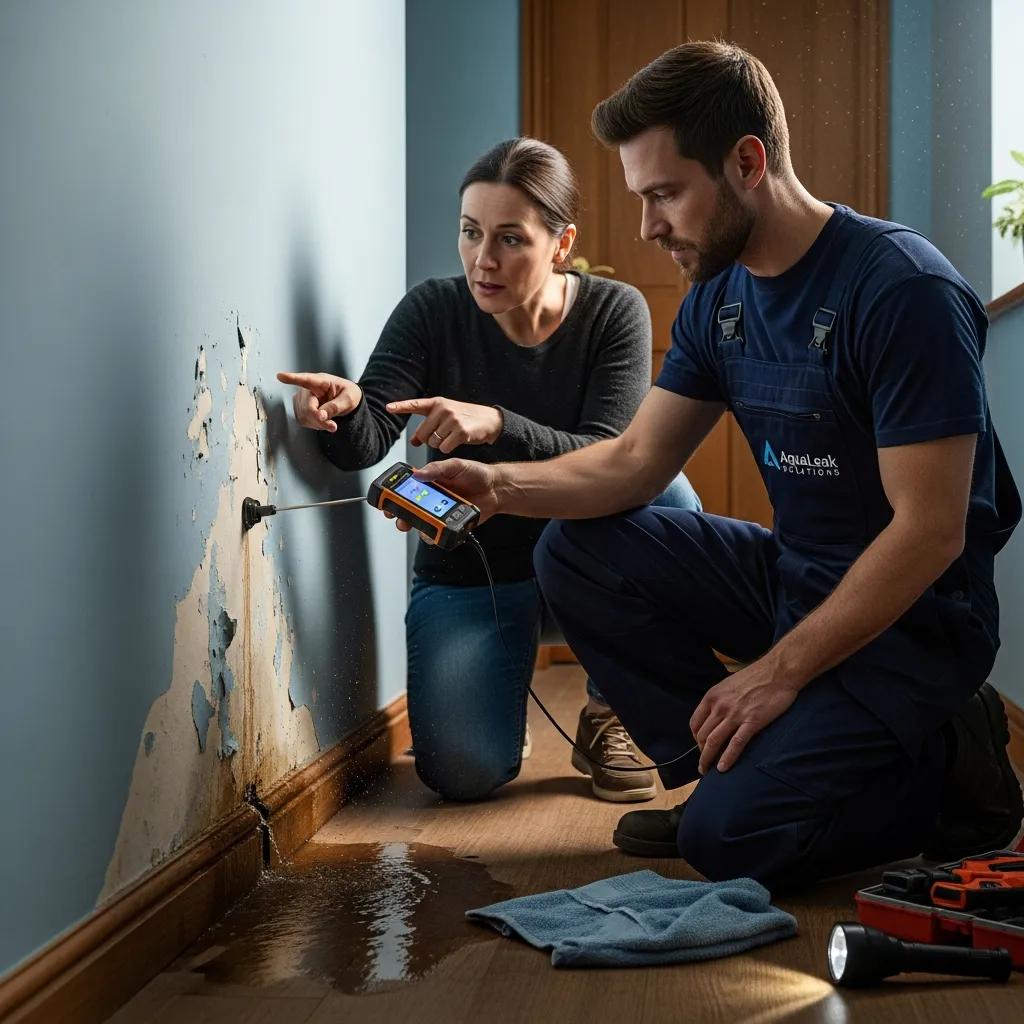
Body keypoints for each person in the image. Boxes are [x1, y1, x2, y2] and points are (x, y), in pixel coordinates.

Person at [410, 43, 1024, 890]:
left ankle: (953, 752)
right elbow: (633, 461)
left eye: (665, 194)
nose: (647, 226)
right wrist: (500, 487)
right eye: (640, 198)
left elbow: (930, 534)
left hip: (914, 628)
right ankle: (736, 775)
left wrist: (776, 675)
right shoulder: (717, 299)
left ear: (747, 162)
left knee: (729, 846)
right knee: (574, 550)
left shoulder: (902, 291)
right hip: (795, 581)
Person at [278, 137, 700, 804]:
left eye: (510, 239)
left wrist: (497, 424)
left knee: (670, 496)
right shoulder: (431, 311)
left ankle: (609, 710)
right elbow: (368, 443)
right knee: (462, 774)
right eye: (471, 233)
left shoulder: (614, 313)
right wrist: (345, 408)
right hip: (474, 572)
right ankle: (497, 697)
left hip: (588, 566)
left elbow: (610, 454)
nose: (483, 259)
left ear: (561, 245)